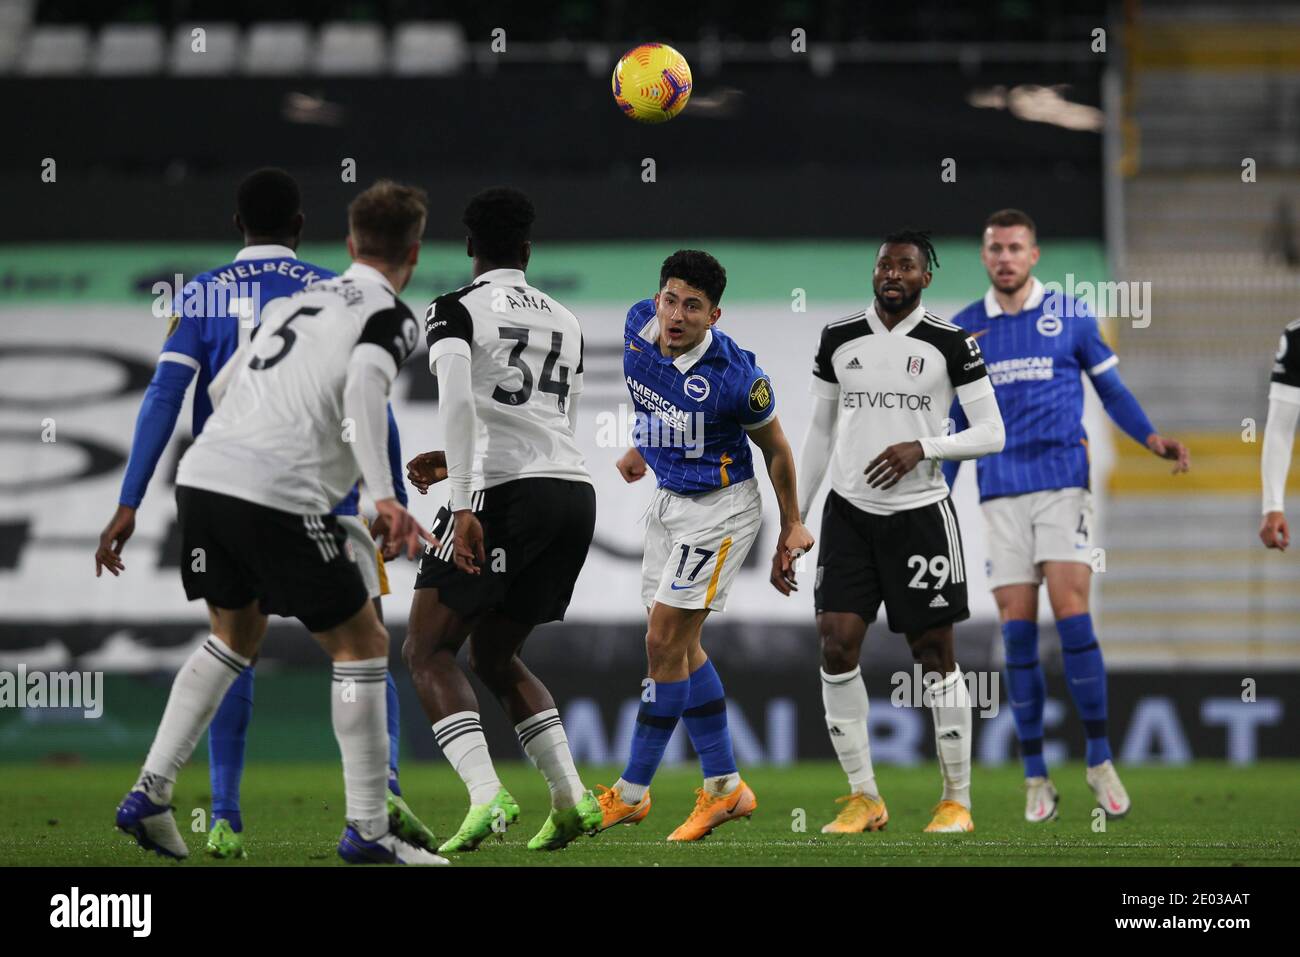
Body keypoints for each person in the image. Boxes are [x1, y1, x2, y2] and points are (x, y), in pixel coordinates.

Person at [94, 167, 432, 858]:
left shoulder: (289, 306)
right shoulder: (388, 314)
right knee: (364, 643)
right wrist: (388, 495)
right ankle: (370, 826)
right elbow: (371, 391)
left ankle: (151, 793)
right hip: (282, 493)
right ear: (415, 254)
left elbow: (217, 384)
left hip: (204, 477)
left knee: (233, 638)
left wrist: (134, 496)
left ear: (348, 239)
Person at [946, 209, 1189, 822]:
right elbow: (955, 425)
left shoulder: (1072, 316)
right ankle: (1035, 775)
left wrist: (1151, 439)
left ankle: (1100, 759)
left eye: (1015, 247)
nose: (1005, 257)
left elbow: (1112, 390)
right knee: (1017, 630)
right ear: (984, 257)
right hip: (999, 488)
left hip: (1062, 481)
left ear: (1034, 255)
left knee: (1072, 608)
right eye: (995, 247)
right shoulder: (964, 331)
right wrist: (938, 494)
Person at [404, 187, 602, 852]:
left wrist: (462, 502)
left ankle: (488, 796)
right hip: (572, 493)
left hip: (500, 494)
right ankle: (574, 800)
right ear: (527, 248)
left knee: (426, 647)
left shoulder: (453, 310)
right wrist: (463, 460)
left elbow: (458, 400)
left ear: (468, 247)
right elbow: (539, 420)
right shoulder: (567, 319)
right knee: (493, 652)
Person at [596, 248, 814, 841]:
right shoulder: (638, 327)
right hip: (668, 504)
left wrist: (792, 525)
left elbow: (777, 450)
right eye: (671, 299)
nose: (676, 314)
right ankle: (725, 789)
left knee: (662, 640)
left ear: (713, 316)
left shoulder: (737, 379)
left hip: (722, 510)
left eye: (693, 306)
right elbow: (653, 395)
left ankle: (632, 793)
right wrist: (643, 445)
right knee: (682, 648)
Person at [799, 231, 1005, 834]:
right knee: (836, 645)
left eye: (906, 265)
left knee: (934, 655)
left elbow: (991, 432)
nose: (893, 272)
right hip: (848, 515)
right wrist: (795, 518)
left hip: (921, 517)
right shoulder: (839, 338)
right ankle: (865, 797)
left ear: (925, 277)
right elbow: (817, 432)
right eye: (885, 264)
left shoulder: (951, 342)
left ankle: (956, 801)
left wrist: (926, 446)